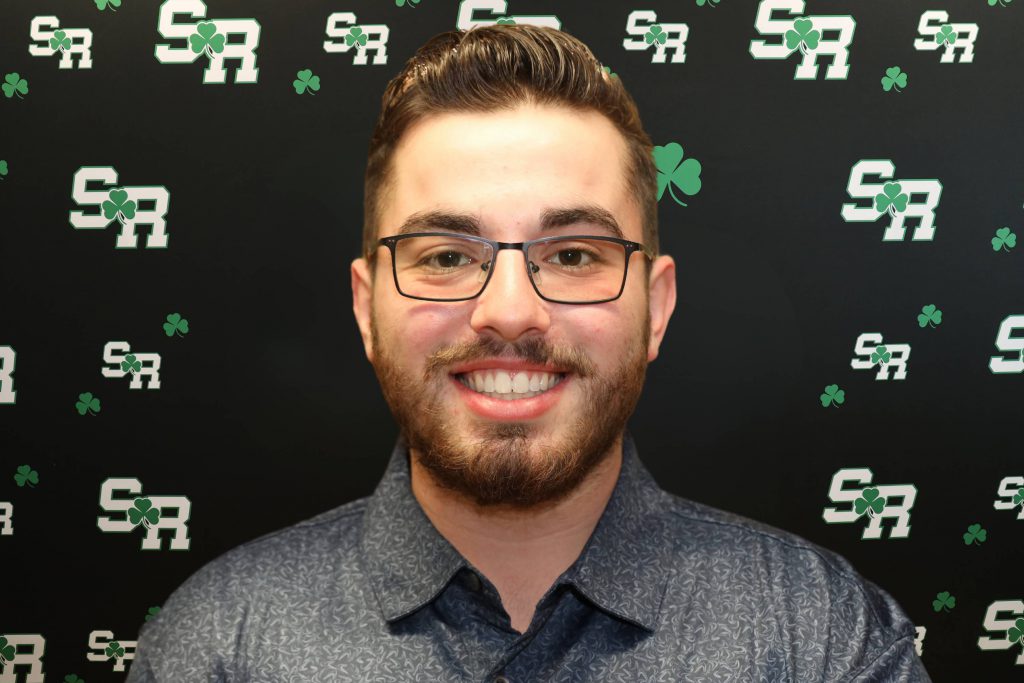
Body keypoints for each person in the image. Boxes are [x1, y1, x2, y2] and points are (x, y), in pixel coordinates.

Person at [127, 24, 931, 682]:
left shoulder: (824, 642)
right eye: (444, 255)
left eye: (574, 254)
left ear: (654, 307)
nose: (508, 311)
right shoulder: (218, 649)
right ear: (365, 306)